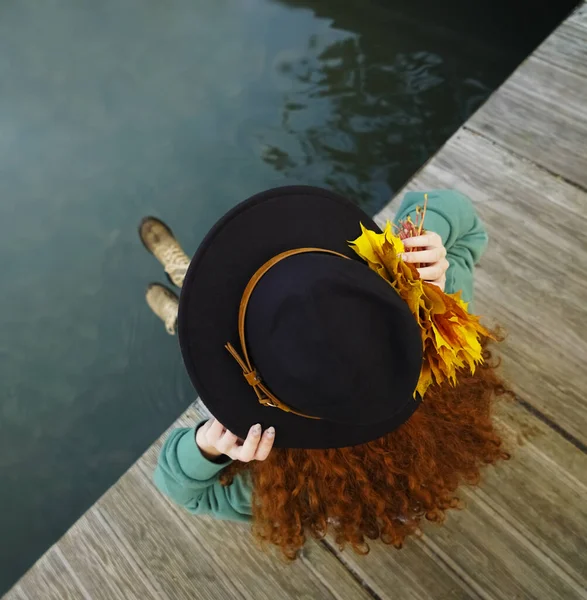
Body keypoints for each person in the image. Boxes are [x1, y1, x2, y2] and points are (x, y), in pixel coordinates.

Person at [140, 186, 509, 559]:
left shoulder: (286, 481)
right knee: (211, 332)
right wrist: (432, 252)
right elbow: (461, 219)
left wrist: (209, 447)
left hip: (246, 376)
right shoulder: (450, 342)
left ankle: (182, 305)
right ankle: (184, 298)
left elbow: (179, 487)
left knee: (204, 325)